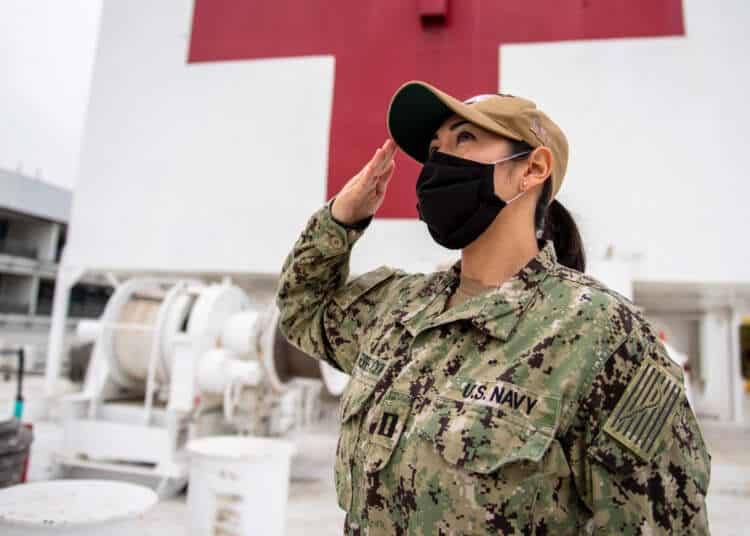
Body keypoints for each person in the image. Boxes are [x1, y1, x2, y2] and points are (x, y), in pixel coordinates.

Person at [275, 80, 711, 534]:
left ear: (532, 168)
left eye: (464, 138)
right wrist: (341, 219)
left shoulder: (602, 337)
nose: (439, 162)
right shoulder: (399, 306)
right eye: (434, 149)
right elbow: (303, 309)